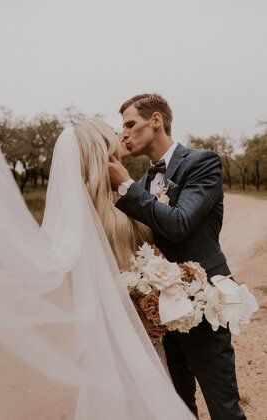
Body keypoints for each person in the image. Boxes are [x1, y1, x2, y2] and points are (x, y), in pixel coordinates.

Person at [0, 89, 194, 419]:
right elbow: (60, 261)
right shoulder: (85, 216)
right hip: (121, 331)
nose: (121, 135)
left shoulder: (128, 197)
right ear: (100, 152)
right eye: (114, 133)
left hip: (150, 329)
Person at [108, 93, 246, 420]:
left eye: (130, 124)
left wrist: (126, 186)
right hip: (160, 311)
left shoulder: (202, 162)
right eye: (121, 127)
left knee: (223, 406)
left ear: (156, 120)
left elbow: (180, 224)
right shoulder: (142, 182)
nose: (123, 133)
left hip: (204, 302)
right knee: (177, 405)